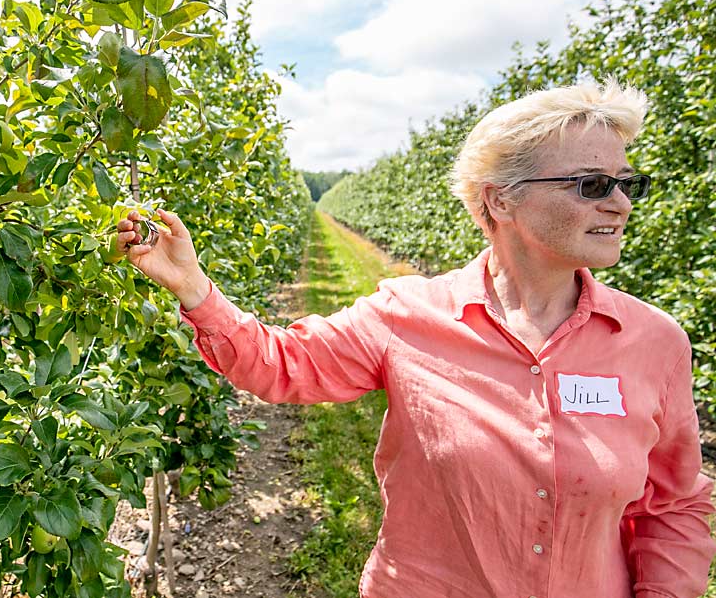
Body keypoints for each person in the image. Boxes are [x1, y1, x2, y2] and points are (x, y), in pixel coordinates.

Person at [113, 80, 716, 598]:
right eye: (591, 184)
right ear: (501, 199)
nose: (620, 203)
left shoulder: (653, 343)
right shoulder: (407, 315)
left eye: (625, 183)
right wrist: (192, 284)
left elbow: (674, 504)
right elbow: (279, 365)